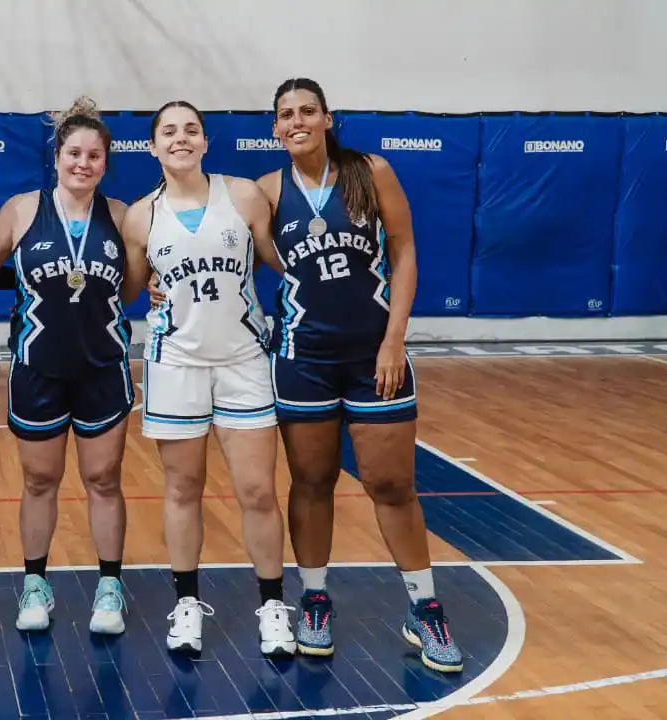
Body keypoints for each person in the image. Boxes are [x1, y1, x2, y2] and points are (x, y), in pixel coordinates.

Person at [262, 77, 462, 672]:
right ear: (275, 129)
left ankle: (424, 608)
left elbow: (403, 252)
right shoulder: (268, 191)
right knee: (312, 480)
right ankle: (315, 598)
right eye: (284, 114)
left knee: (391, 483)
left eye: (307, 111)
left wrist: (394, 339)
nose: (296, 120)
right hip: (303, 358)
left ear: (327, 118)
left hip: (374, 356)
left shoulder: (369, 171)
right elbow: (217, 247)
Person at [120, 101, 296, 657]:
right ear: (152, 146)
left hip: (243, 360)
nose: (180, 138)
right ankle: (187, 604)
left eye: (190, 130)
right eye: (168, 132)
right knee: (182, 489)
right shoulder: (140, 217)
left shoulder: (242, 195)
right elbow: (128, 289)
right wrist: (144, 287)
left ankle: (272, 606)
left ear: (204, 141)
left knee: (257, 491)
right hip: (175, 364)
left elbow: (281, 261)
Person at [0, 97, 142, 635]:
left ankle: (108, 586)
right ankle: (35, 584)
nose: (83, 162)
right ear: (56, 156)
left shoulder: (121, 216)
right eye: (74, 152)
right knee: (39, 480)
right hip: (38, 369)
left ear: (105, 162)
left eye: (94, 155)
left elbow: (135, 283)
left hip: (102, 367)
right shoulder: (21, 210)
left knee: (103, 479)